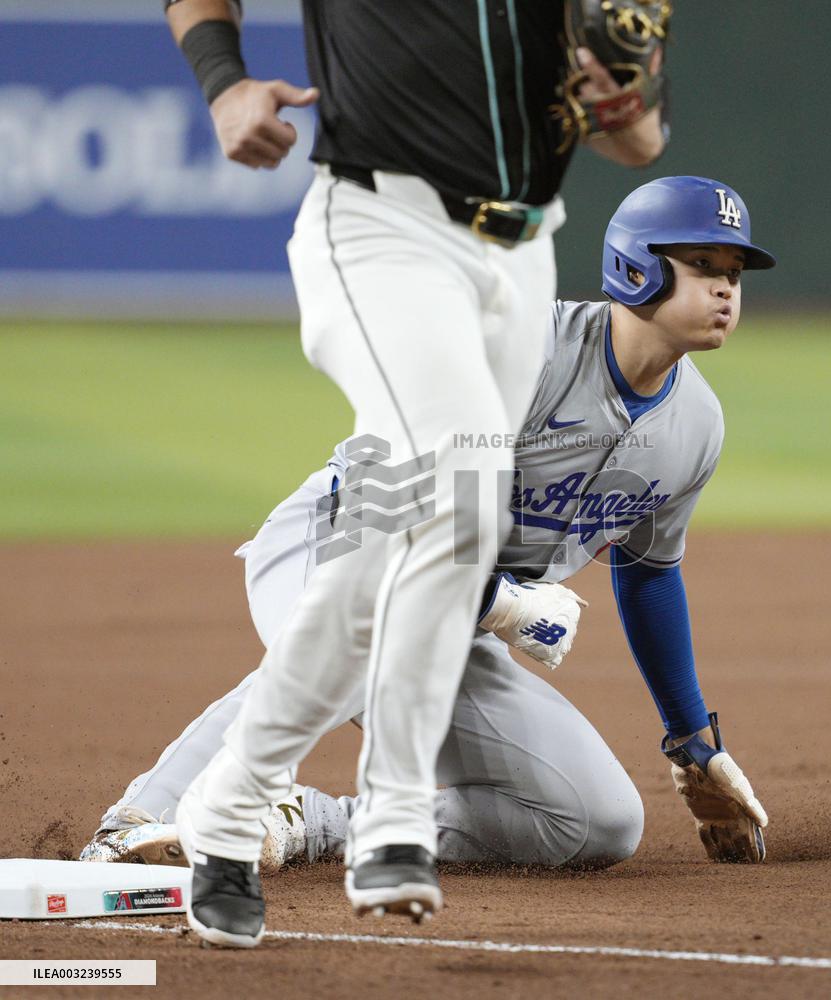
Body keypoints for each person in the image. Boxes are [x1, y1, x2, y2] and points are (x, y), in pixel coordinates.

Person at [83, 175, 772, 901]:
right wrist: (501, 604)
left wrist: (693, 743)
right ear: (637, 267)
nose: (726, 289)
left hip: (452, 610)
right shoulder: (523, 351)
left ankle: (309, 824)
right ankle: (138, 820)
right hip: (343, 542)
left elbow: (648, 572)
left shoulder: (696, 425)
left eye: (733, 274)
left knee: (597, 820)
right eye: (703, 266)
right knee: (364, 630)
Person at [162, 0, 672, 948]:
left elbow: (640, 135)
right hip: (380, 228)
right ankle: (392, 814)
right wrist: (223, 78)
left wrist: (621, 98)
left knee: (414, 528)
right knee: (466, 490)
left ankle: (228, 806)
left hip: (519, 253)